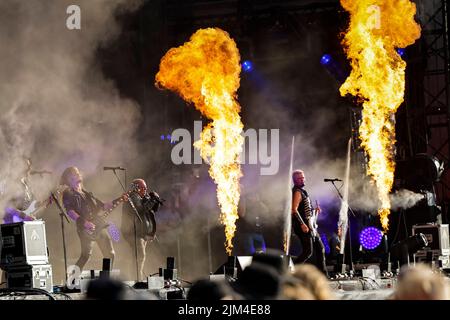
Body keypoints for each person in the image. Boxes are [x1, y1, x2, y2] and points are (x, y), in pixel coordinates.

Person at [61, 166, 120, 271]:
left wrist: (117, 200)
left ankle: (106, 281)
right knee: (85, 256)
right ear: (70, 178)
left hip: (99, 225)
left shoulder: (85, 192)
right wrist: (85, 223)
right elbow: (70, 212)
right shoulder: (68, 193)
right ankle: (72, 280)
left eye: (78, 172)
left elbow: (102, 206)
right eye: (76, 173)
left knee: (110, 254)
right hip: (85, 229)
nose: (79, 174)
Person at [121, 178, 162, 281]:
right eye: (143, 188)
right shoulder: (133, 197)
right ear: (136, 188)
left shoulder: (143, 197)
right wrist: (152, 200)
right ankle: (137, 279)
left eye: (146, 188)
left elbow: (153, 210)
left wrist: (155, 200)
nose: (145, 190)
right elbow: (140, 210)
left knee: (139, 256)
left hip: (142, 232)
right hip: (133, 232)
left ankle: (137, 277)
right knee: (140, 256)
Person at [291, 169, 328, 276]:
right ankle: (291, 270)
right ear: (295, 180)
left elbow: (306, 210)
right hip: (303, 226)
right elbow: (294, 209)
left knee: (320, 248)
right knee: (308, 252)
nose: (303, 180)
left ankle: (324, 275)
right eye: (300, 178)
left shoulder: (303, 191)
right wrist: (302, 224)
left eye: (303, 177)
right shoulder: (297, 192)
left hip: (310, 226)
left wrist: (315, 211)